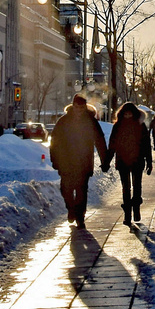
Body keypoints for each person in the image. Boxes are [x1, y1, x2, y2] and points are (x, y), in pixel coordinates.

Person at [50, 94, 107, 228]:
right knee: (66, 189)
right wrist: (55, 159)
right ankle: (71, 209)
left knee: (81, 190)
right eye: (77, 107)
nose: (79, 110)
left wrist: (105, 160)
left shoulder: (91, 121)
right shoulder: (63, 121)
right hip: (66, 162)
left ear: (85, 107)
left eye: (82, 108)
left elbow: (100, 140)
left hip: (84, 162)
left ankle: (80, 217)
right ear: (73, 106)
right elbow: (54, 141)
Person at [104, 102, 153, 225]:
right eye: (125, 114)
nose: (127, 116)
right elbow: (112, 145)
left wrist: (149, 162)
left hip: (138, 160)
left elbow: (146, 145)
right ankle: (127, 214)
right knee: (126, 188)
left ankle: (136, 208)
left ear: (134, 114)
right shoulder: (118, 127)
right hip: (122, 160)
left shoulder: (140, 126)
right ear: (121, 114)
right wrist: (106, 162)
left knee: (137, 186)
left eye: (130, 114)